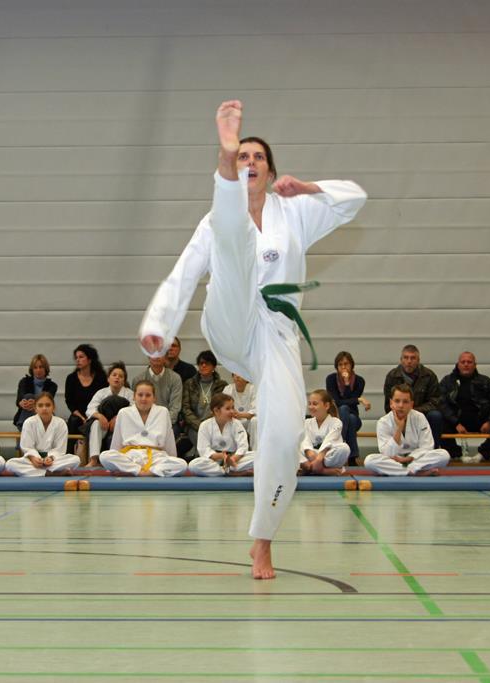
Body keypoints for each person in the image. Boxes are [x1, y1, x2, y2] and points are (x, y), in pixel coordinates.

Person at [138, 100, 366, 578]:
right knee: (233, 241)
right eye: (242, 157)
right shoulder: (214, 222)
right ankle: (222, 176)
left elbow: (355, 199)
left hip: (276, 334)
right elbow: (185, 273)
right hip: (230, 317)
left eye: (257, 157)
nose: (252, 162)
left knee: (283, 434)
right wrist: (160, 324)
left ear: (272, 172)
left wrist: (309, 188)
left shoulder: (295, 212)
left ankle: (262, 541)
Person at [100, 381, 187, 477]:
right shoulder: (124, 413)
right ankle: (141, 471)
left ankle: (144, 471)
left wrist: (172, 458)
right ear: (134, 397)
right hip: (131, 456)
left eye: (148, 395)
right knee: (105, 456)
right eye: (140, 395)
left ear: (154, 398)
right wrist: (115, 459)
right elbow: (117, 440)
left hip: (156, 457)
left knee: (182, 464)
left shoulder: (163, 412)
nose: (144, 398)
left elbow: (169, 439)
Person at [365, 384, 450, 476]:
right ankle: (416, 473)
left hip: (416, 459)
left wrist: (410, 458)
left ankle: (401, 471)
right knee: (370, 461)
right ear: (391, 403)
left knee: (444, 455)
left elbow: (427, 446)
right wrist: (399, 429)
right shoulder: (383, 422)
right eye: (397, 401)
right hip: (394, 460)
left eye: (405, 402)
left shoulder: (419, 418)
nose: (401, 405)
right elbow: (386, 452)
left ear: (411, 404)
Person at [439, 351, 490, 463]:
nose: (466, 364)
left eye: (469, 362)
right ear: (458, 364)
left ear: (475, 365)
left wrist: (489, 421)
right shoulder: (447, 381)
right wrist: (456, 423)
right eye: (463, 362)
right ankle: (457, 454)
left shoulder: (486, 382)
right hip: (456, 422)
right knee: (439, 421)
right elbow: (442, 404)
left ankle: (482, 454)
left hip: (481, 421)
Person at [382, 345, 443, 447]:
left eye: (413, 358)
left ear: (418, 360)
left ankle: (433, 449)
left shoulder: (429, 376)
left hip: (422, 415)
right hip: (399, 413)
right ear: (401, 360)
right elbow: (389, 404)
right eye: (406, 357)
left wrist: (413, 411)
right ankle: (397, 449)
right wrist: (403, 412)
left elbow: (435, 402)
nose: (409, 361)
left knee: (436, 416)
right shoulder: (392, 376)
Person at [8, 393, 79, 477]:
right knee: (10, 464)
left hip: (53, 460)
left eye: (48, 405)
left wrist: (50, 458)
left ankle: (36, 472)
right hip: (34, 460)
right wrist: (34, 458)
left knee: (75, 459)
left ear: (53, 407)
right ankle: (50, 473)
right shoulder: (29, 422)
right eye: (40, 405)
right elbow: (27, 447)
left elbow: (60, 449)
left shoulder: (60, 423)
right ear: (35, 408)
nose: (44, 408)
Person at [82, 363, 135, 467]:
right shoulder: (101, 392)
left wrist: (118, 418)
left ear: (124, 381)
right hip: (104, 425)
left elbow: (133, 410)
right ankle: (94, 459)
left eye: (120, 376)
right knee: (95, 424)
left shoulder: (129, 393)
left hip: (122, 426)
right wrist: (100, 416)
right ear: (108, 379)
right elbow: (90, 409)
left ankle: (119, 461)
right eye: (114, 375)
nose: (117, 378)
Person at [188, 393, 253, 477]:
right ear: (216, 411)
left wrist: (232, 459)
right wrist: (222, 456)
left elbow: (243, 446)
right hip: (214, 461)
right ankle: (227, 471)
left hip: (234, 459)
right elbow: (203, 449)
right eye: (228, 408)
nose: (232, 411)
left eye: (233, 408)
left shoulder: (237, 424)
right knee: (194, 465)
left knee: (257, 456)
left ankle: (223, 471)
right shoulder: (205, 425)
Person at [180, 350, 228, 459]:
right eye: (201, 363)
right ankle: (211, 458)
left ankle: (202, 456)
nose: (204, 366)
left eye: (207, 363)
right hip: (193, 425)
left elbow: (220, 408)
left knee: (213, 434)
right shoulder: (189, 383)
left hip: (214, 423)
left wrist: (206, 424)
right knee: (198, 434)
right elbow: (185, 408)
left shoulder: (222, 385)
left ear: (214, 366)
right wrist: (199, 424)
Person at [325, 351, 370, 464]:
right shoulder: (331, 379)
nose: (343, 367)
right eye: (340, 364)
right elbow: (337, 402)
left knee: (347, 411)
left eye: (346, 364)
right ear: (336, 367)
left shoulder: (359, 381)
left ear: (351, 365)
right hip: (335, 419)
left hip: (353, 417)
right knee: (349, 416)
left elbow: (350, 402)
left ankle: (338, 442)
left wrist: (346, 383)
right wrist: (359, 399)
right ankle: (352, 458)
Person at [299, 389, 350, 475]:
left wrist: (319, 459)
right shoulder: (306, 423)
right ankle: (323, 471)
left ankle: (310, 469)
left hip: (326, 456)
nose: (311, 407)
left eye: (315, 404)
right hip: (310, 456)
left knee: (344, 448)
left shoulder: (336, 422)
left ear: (326, 406)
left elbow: (329, 440)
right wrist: (309, 453)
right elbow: (305, 441)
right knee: (291, 446)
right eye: (309, 404)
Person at [63, 343, 108, 439]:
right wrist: (82, 418)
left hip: (96, 414)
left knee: (97, 423)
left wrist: (94, 415)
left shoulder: (101, 378)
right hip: (78, 416)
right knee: (74, 421)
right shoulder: (71, 378)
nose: (77, 360)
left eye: (81, 357)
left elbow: (105, 400)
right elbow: (69, 402)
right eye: (76, 357)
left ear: (89, 359)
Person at [131, 355, 183, 433]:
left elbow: (175, 408)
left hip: (167, 422)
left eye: (160, 353)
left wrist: (160, 424)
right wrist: (146, 423)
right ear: (148, 357)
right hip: (143, 422)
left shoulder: (175, 378)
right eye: (153, 353)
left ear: (165, 357)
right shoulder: (138, 379)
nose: (156, 356)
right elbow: (135, 405)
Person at [13, 354, 58, 429]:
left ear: (45, 369)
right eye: (35, 368)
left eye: (41, 367)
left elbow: (47, 402)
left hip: (44, 414)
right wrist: (22, 403)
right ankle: (27, 426)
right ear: (32, 369)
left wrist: (35, 403)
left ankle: (25, 425)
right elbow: (19, 400)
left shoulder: (52, 386)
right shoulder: (24, 382)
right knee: (28, 397)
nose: (38, 370)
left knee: (34, 400)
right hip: (26, 413)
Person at [223, 373, 258, 448]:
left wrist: (240, 415)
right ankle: (228, 450)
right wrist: (233, 414)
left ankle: (254, 449)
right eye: (235, 374)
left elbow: (255, 410)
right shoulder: (228, 389)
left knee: (255, 421)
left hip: (248, 420)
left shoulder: (253, 388)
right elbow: (224, 407)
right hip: (233, 419)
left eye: (240, 374)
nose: (237, 377)